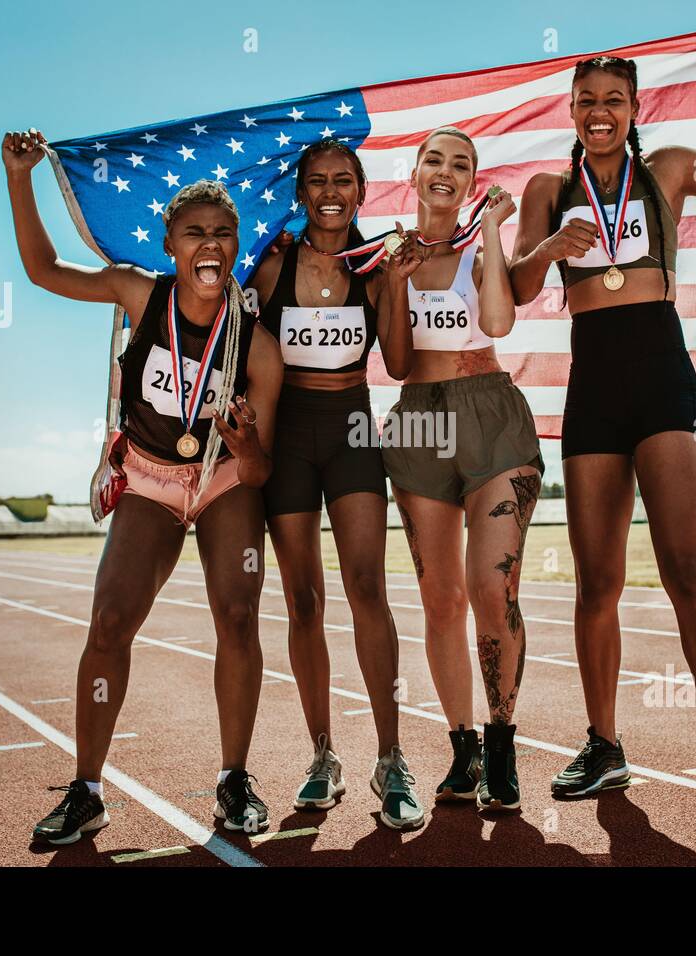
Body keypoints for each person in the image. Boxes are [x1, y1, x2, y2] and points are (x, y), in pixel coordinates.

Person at [508, 18, 696, 838]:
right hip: (593, 387)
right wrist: (548, 250)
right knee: (595, 580)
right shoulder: (546, 190)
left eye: (613, 99)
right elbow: (515, 287)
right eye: (586, 100)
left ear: (636, 107)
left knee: (687, 570)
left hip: (664, 380)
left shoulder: (670, 170)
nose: (599, 112)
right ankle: (605, 743)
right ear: (570, 110)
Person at [2, 128, 284, 839]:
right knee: (109, 622)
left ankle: (234, 779)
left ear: (237, 246)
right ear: (170, 245)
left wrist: (247, 442)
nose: (210, 244)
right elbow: (42, 271)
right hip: (151, 478)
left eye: (224, 232)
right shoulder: (138, 294)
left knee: (239, 617)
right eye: (195, 232)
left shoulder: (259, 343)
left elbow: (259, 472)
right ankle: (88, 787)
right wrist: (18, 178)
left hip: (221, 478)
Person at [246, 140, 423, 831]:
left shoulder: (375, 266)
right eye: (316, 181)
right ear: (299, 190)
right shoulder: (271, 267)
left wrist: (401, 282)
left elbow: (402, 365)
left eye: (342, 180)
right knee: (302, 599)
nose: (329, 191)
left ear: (360, 190)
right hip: (286, 436)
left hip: (352, 431)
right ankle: (322, 755)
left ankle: (392, 757)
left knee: (367, 588)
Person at [378, 126, 544, 812]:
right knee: (440, 599)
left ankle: (502, 741)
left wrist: (496, 233)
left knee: (491, 588)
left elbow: (500, 322)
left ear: (472, 182)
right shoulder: (387, 255)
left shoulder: (482, 243)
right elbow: (392, 361)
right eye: (434, 161)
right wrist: (393, 278)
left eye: (461, 165)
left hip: (491, 416)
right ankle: (462, 749)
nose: (445, 172)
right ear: (413, 176)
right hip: (417, 419)